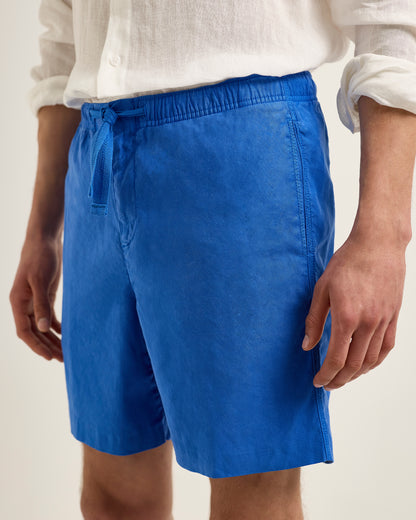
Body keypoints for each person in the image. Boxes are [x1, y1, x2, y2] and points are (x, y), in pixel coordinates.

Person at [9, 1, 416, 519]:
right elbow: (62, 38)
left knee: (253, 493)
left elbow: (392, 21)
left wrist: (384, 234)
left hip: (240, 151)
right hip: (95, 155)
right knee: (111, 494)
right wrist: (43, 231)